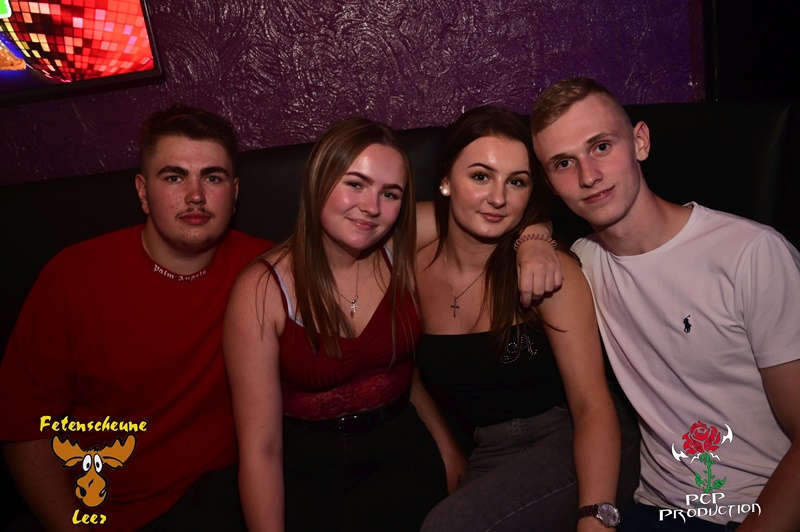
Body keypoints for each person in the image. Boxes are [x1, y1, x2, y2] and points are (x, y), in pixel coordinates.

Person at [530, 77, 800, 531]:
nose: (587, 176)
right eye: (563, 163)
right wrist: (532, 237)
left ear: (640, 141)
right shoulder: (582, 265)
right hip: (657, 509)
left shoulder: (752, 254)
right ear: (550, 184)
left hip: (754, 509)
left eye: (601, 147)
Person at [0, 105, 271, 531]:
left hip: (224, 496)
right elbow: (23, 427)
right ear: (143, 192)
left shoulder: (266, 269)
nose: (196, 195)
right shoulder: (73, 276)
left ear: (234, 193)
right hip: (108, 511)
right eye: (174, 177)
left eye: (213, 178)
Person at [224, 117, 454, 532]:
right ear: (319, 180)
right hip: (311, 476)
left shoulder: (400, 246)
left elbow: (493, 211)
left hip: (403, 457)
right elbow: (261, 448)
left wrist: (534, 240)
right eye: (355, 184)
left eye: (390, 193)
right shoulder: (262, 289)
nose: (371, 207)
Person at [417, 105, 638, 532]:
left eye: (516, 182)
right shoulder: (414, 261)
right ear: (445, 180)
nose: (498, 198)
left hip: (577, 439)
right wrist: (445, 444)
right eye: (480, 176)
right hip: (490, 449)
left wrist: (595, 518)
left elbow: (592, 406)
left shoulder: (548, 272)